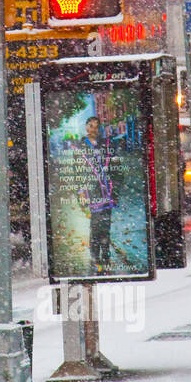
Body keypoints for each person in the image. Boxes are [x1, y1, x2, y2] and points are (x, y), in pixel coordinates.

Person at [75, 116, 117, 271]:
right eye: (91, 126)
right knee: (96, 224)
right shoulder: (79, 146)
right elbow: (76, 170)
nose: (93, 129)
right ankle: (94, 255)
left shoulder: (105, 144)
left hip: (107, 190)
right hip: (92, 190)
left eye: (96, 126)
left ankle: (105, 255)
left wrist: (115, 187)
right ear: (86, 127)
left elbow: (113, 165)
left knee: (106, 224)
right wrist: (81, 192)